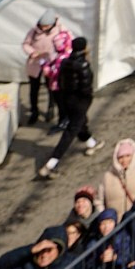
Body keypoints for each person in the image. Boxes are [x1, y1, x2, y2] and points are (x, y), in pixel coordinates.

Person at [37, 38, 97, 180]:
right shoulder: (84, 65)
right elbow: (86, 87)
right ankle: (52, 163)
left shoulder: (65, 62)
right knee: (72, 130)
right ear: (84, 48)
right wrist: (88, 97)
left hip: (66, 98)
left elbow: (61, 81)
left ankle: (91, 143)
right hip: (80, 101)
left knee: (81, 121)